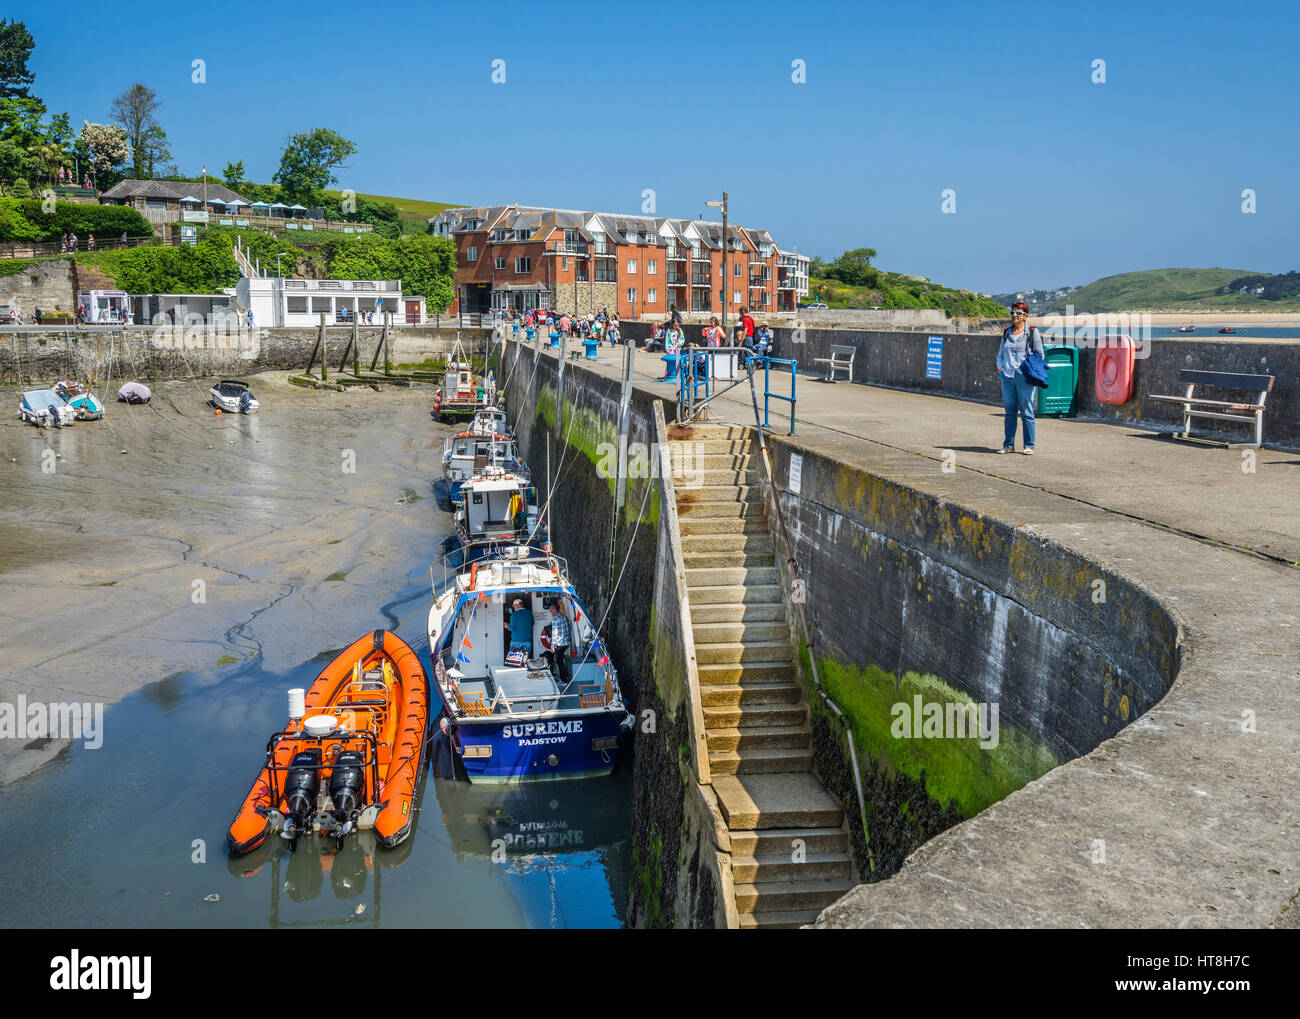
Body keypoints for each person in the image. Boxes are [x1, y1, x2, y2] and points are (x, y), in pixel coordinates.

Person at [995, 301, 1043, 455]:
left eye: (1018, 313)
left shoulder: (1032, 332)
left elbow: (1039, 355)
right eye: (1012, 312)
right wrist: (1001, 367)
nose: (1014, 315)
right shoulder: (1007, 332)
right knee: (1009, 412)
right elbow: (1000, 354)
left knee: (1027, 412)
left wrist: (1027, 368)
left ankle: (1029, 445)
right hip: (1007, 376)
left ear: (1025, 316)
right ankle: (1008, 445)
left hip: (1024, 377)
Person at [547, 598, 572, 686]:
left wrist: (552, 645)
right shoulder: (564, 617)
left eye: (551, 611)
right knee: (561, 661)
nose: (550, 612)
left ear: (554, 610)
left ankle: (564, 680)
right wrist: (568, 641)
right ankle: (565, 676)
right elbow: (568, 630)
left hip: (560, 644)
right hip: (565, 643)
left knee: (559, 662)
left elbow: (555, 633)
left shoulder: (555, 620)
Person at [507, 597, 533, 663]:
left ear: (517, 605)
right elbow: (532, 623)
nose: (514, 608)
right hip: (527, 641)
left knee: (515, 662)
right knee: (524, 661)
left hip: (516, 642)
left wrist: (507, 626)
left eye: (514, 606)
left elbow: (512, 628)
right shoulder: (529, 613)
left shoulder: (514, 615)